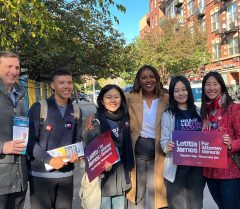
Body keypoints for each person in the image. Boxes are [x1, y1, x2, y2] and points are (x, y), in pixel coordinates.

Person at [86, 65, 169, 209]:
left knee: (159, 196)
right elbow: (110, 104)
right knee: (136, 196)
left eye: (151, 76)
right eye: (144, 77)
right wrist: (93, 115)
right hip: (136, 154)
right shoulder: (129, 97)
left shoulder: (167, 98)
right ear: (139, 80)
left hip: (159, 153)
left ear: (156, 78)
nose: (148, 80)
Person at [27, 68, 83, 209]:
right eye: (61, 82)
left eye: (69, 82)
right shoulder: (39, 108)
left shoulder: (76, 111)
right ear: (52, 85)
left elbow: (77, 140)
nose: (66, 86)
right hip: (40, 175)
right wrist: (50, 160)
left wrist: (77, 155)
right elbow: (29, 141)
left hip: (66, 175)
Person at [0, 51, 28, 209]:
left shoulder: (20, 95)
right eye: (8, 66)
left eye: (17, 67)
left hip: (19, 181)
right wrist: (2, 147)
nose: (14, 71)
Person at [82, 84, 134, 209]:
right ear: (101, 100)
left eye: (116, 97)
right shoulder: (95, 122)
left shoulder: (125, 118)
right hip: (103, 179)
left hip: (121, 175)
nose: (113, 100)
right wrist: (101, 164)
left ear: (121, 98)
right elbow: (88, 152)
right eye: (108, 97)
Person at [201, 72, 240, 209]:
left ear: (221, 86)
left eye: (215, 84)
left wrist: (230, 145)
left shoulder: (234, 108)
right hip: (210, 172)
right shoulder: (205, 111)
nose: (211, 88)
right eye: (208, 84)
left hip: (230, 172)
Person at [160, 76, 206, 209]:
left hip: (197, 167)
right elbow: (163, 140)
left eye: (184, 89)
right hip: (176, 167)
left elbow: (206, 137)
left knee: (195, 205)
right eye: (176, 91)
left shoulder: (199, 112)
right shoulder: (168, 115)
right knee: (176, 205)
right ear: (172, 94)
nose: (181, 93)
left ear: (189, 91)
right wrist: (166, 146)